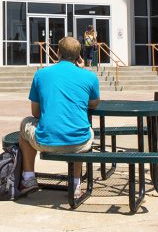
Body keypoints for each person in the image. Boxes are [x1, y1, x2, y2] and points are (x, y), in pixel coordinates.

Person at [18, 36, 100, 200]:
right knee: (83, 127)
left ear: (57, 53)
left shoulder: (41, 74)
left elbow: (35, 113)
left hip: (45, 142)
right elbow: (94, 103)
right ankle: (76, 184)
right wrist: (81, 71)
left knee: (25, 124)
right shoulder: (90, 77)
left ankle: (28, 178)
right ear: (79, 57)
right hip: (79, 144)